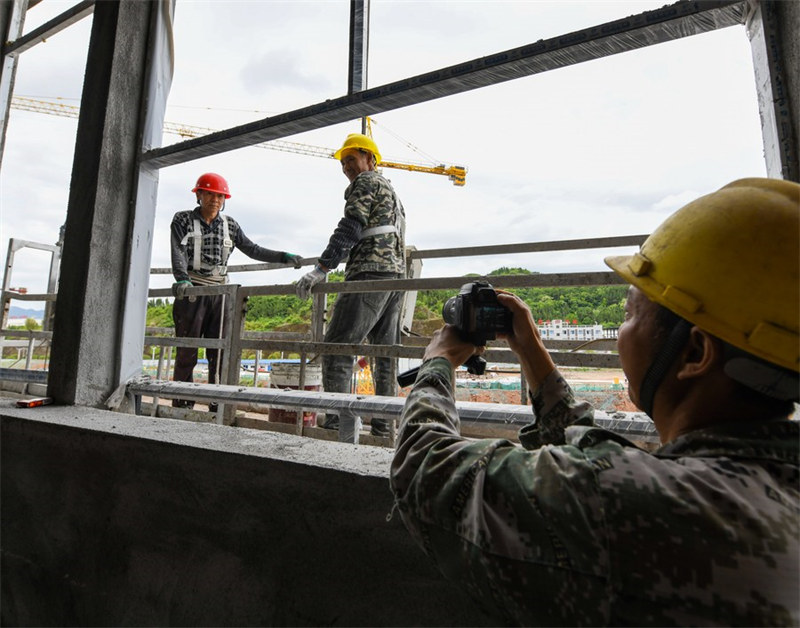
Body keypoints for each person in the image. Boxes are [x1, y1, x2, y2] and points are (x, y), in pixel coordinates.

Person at [390, 178, 799, 626]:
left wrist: (439, 362)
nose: (621, 333)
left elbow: (423, 471)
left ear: (694, 353)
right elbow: (598, 456)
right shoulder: (767, 486)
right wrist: (531, 350)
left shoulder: (634, 503)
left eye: (628, 315)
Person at [295, 134, 406, 442]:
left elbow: (351, 227)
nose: (347, 167)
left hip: (369, 273)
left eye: (352, 160)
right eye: (343, 163)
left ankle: (336, 426)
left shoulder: (366, 182)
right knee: (385, 355)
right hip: (396, 277)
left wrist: (321, 268)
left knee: (337, 350)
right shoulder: (393, 193)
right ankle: (384, 430)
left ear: (370, 160)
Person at [170, 172, 302, 409]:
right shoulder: (182, 220)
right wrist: (181, 279)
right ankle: (182, 403)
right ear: (198, 194)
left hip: (221, 294)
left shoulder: (230, 225)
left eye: (220, 196)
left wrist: (283, 256)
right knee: (187, 352)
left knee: (219, 353)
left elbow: (253, 249)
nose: (215, 200)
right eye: (209, 194)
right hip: (192, 291)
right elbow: (177, 251)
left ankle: (216, 403)